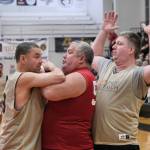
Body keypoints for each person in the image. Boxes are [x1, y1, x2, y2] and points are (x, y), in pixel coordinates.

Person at [91, 11, 150, 150]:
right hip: (97, 143)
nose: (113, 46)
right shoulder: (106, 65)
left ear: (131, 49)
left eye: (119, 43)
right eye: (114, 43)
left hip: (124, 144)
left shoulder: (138, 73)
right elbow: (91, 56)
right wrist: (104, 32)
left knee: (127, 138)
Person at [0, 42, 65, 150]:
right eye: (36, 57)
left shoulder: (28, 78)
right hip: (17, 146)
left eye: (42, 57)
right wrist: (50, 65)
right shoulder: (23, 78)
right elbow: (59, 76)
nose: (41, 61)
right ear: (23, 59)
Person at [41, 41, 96, 150]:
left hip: (69, 145)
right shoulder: (85, 75)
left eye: (70, 52)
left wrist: (50, 68)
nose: (64, 56)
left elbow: (48, 92)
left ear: (81, 59)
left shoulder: (81, 76)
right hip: (67, 144)